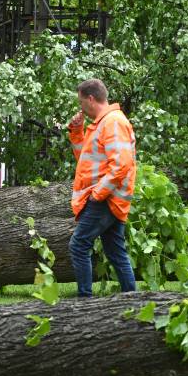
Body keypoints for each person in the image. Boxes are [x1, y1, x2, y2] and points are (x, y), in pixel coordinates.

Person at [66, 78, 137, 297]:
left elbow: (121, 164)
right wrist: (76, 131)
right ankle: (130, 299)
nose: (80, 107)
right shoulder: (101, 123)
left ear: (90, 98)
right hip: (109, 197)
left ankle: (85, 301)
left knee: (78, 245)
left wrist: (98, 194)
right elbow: (86, 159)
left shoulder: (113, 122)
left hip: (106, 198)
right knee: (115, 251)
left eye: (81, 101)